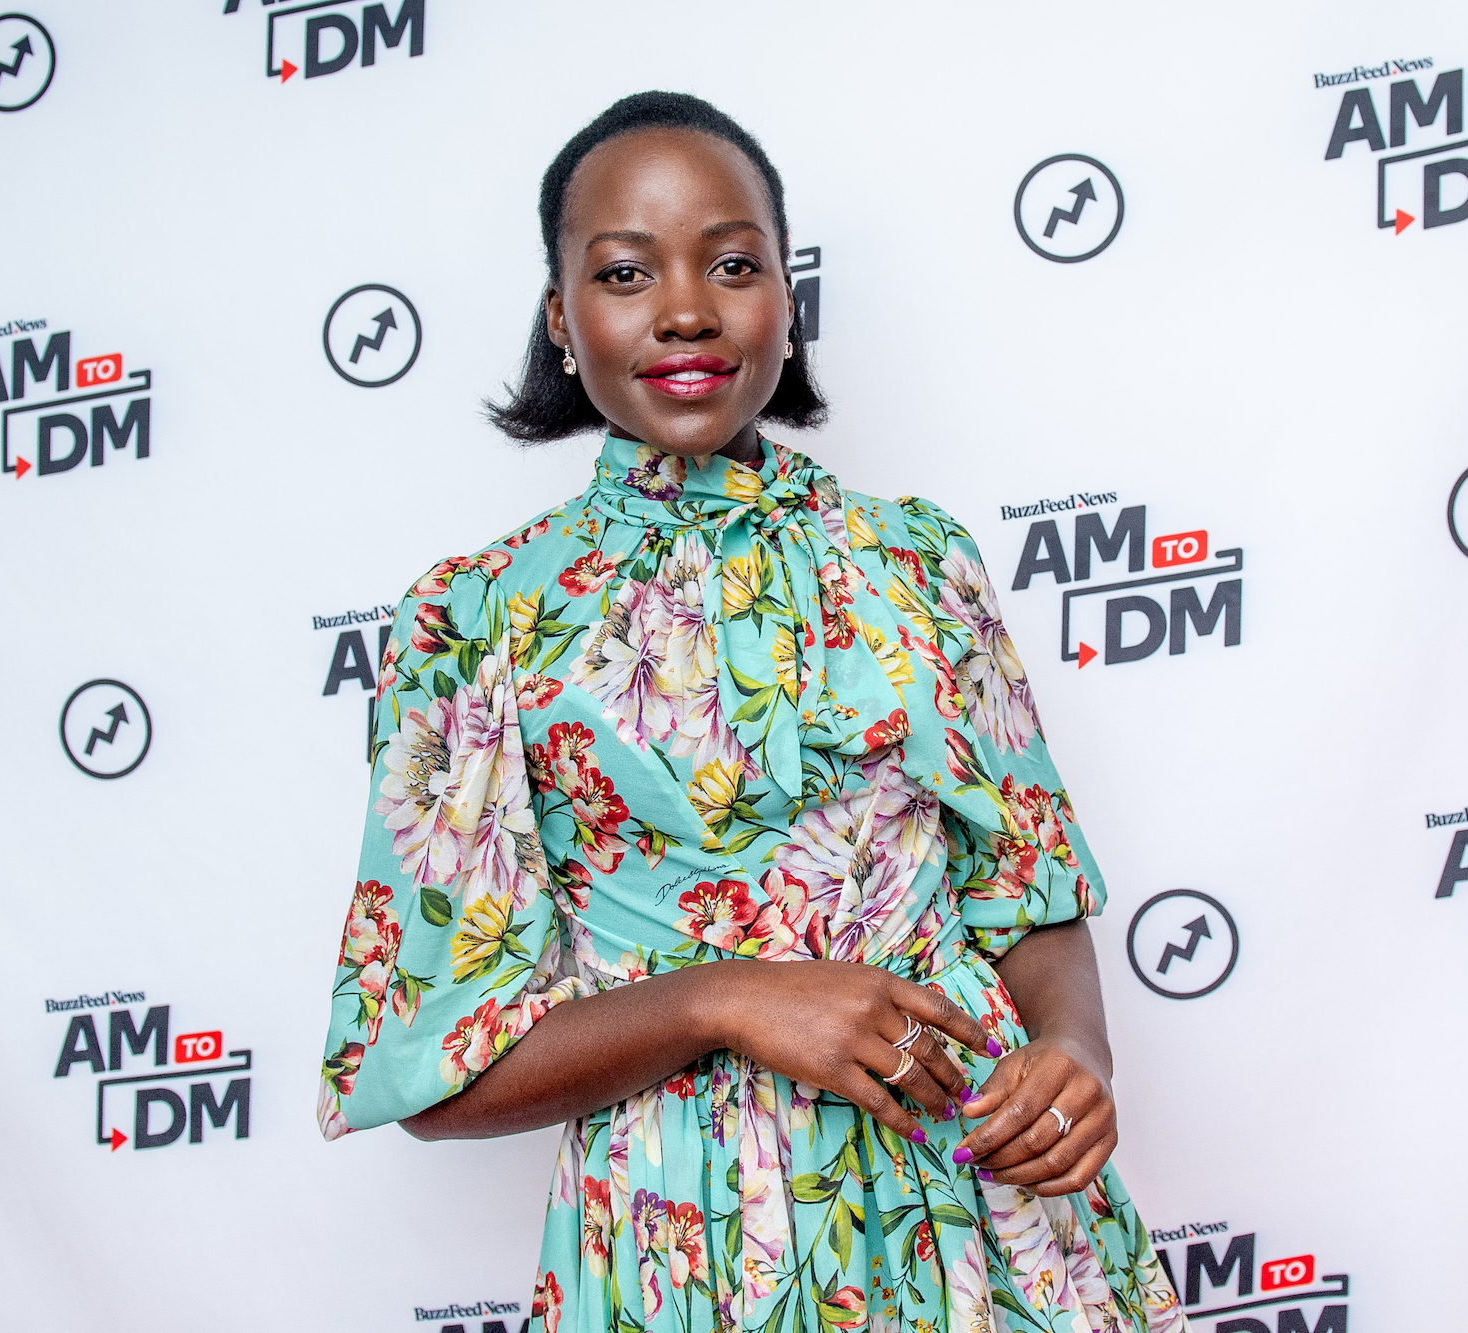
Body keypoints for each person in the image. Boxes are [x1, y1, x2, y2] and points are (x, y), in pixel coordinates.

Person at [318, 90, 1188, 1333]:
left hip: (990, 1210)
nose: (685, 307)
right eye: (625, 272)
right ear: (561, 320)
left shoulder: (920, 562)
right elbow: (432, 1074)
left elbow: (1029, 895)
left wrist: (1074, 1052)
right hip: (694, 1240)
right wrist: (723, 996)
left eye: (732, 263)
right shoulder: (475, 624)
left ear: (786, 297)